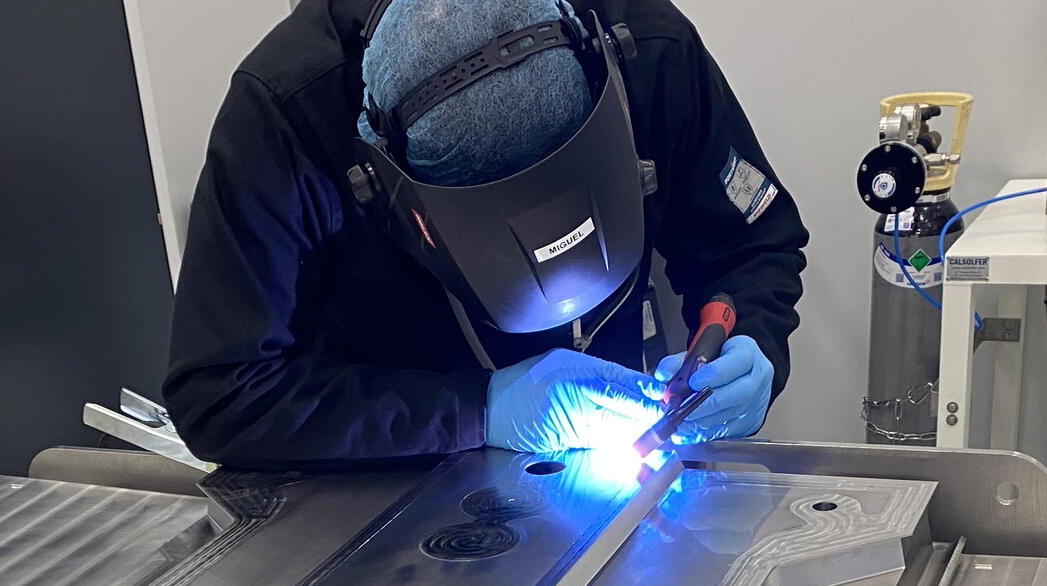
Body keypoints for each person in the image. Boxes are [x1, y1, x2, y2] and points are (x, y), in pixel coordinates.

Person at [165, 0, 807, 470]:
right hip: (398, 490)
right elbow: (222, 396)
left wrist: (751, 341)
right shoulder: (285, 121)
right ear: (381, 164)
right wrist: (476, 410)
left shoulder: (649, 46)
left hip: (615, 459)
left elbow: (751, 245)